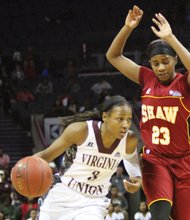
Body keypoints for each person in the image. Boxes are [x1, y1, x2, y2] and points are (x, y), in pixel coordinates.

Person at [106, 5, 190, 220]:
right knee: (160, 215)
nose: (160, 68)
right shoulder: (147, 78)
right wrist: (127, 28)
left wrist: (170, 38)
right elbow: (113, 56)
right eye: (155, 63)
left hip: (184, 162)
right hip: (155, 159)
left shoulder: (184, 83)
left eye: (165, 62)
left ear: (175, 61)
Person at [33, 95, 142, 220]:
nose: (126, 125)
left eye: (129, 119)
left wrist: (137, 177)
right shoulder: (81, 130)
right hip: (63, 194)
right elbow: (46, 155)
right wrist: (23, 168)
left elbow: (130, 157)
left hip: (94, 202)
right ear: (105, 117)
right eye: (120, 119)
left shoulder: (129, 139)